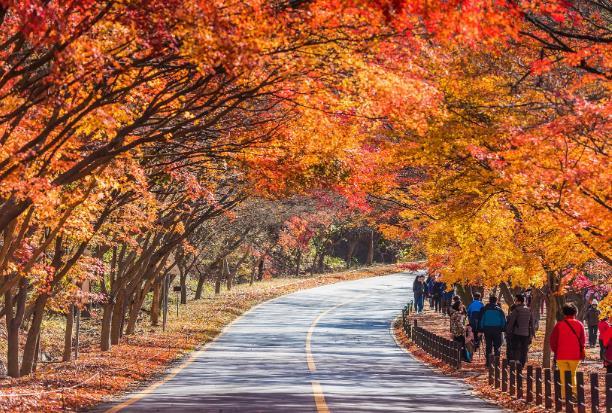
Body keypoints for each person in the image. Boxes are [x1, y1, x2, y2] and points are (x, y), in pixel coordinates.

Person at [550, 303, 585, 398]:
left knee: (563, 376)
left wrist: (556, 351)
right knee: (573, 375)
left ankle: (564, 396)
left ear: (564, 313)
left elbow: (552, 340)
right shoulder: (580, 324)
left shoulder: (559, 325)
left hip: (561, 355)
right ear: (575, 313)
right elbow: (583, 341)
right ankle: (573, 394)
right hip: (575, 355)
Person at [505, 294, 534, 369]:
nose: (515, 302)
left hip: (517, 332)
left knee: (515, 348)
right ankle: (522, 363)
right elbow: (531, 322)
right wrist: (532, 333)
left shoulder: (516, 310)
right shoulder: (528, 310)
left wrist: (508, 331)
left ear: (519, 301)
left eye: (515, 300)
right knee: (524, 349)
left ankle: (515, 362)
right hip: (526, 333)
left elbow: (511, 322)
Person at [479, 295, 506, 367]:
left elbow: (482, 320)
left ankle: (488, 362)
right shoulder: (499, 310)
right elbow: (503, 320)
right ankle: (496, 363)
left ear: (489, 301)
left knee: (488, 346)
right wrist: (503, 328)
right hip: (497, 329)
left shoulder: (485, 309)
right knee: (497, 346)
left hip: (487, 329)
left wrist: (481, 329)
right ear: (496, 301)